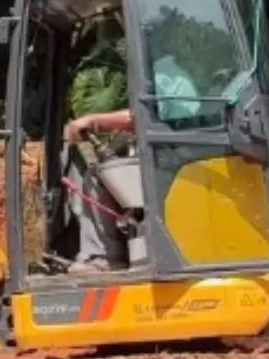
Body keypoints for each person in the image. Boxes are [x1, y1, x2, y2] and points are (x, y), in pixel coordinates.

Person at [61, 53, 202, 273]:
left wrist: (93, 121)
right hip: (178, 153)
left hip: (173, 159)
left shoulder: (163, 76)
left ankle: (104, 256)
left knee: (98, 177)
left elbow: (140, 117)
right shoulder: (173, 74)